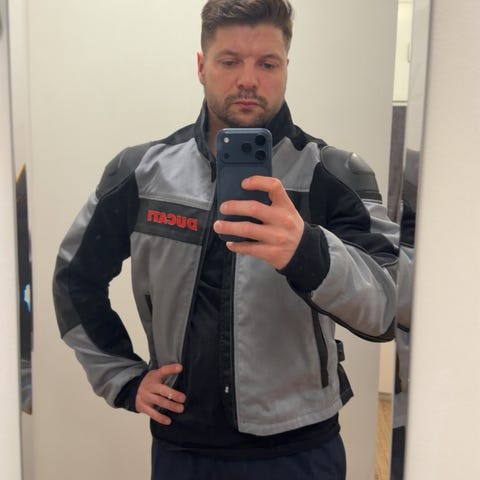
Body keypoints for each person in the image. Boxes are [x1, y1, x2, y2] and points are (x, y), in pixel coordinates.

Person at [52, 1, 398, 478]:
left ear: (286, 68)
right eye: (230, 61)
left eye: (267, 64)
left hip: (300, 449)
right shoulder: (140, 173)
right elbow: (75, 280)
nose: (248, 80)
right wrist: (124, 379)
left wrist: (308, 251)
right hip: (183, 445)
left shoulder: (334, 175)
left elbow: (389, 307)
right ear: (202, 66)